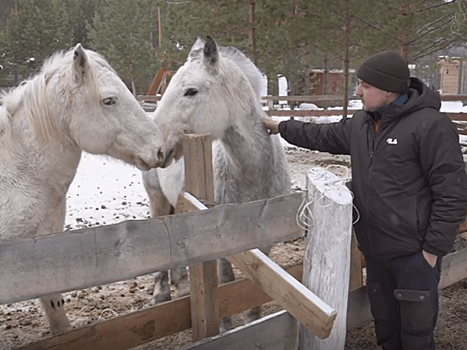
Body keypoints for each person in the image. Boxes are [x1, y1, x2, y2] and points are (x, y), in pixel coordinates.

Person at [262, 50, 467, 350]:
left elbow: (452, 192)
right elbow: (319, 135)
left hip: (415, 256)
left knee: (416, 338)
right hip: (376, 252)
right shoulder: (361, 124)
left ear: (387, 89)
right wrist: (279, 126)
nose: (357, 91)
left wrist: (432, 251)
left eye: (364, 85)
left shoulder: (430, 126)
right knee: (386, 330)